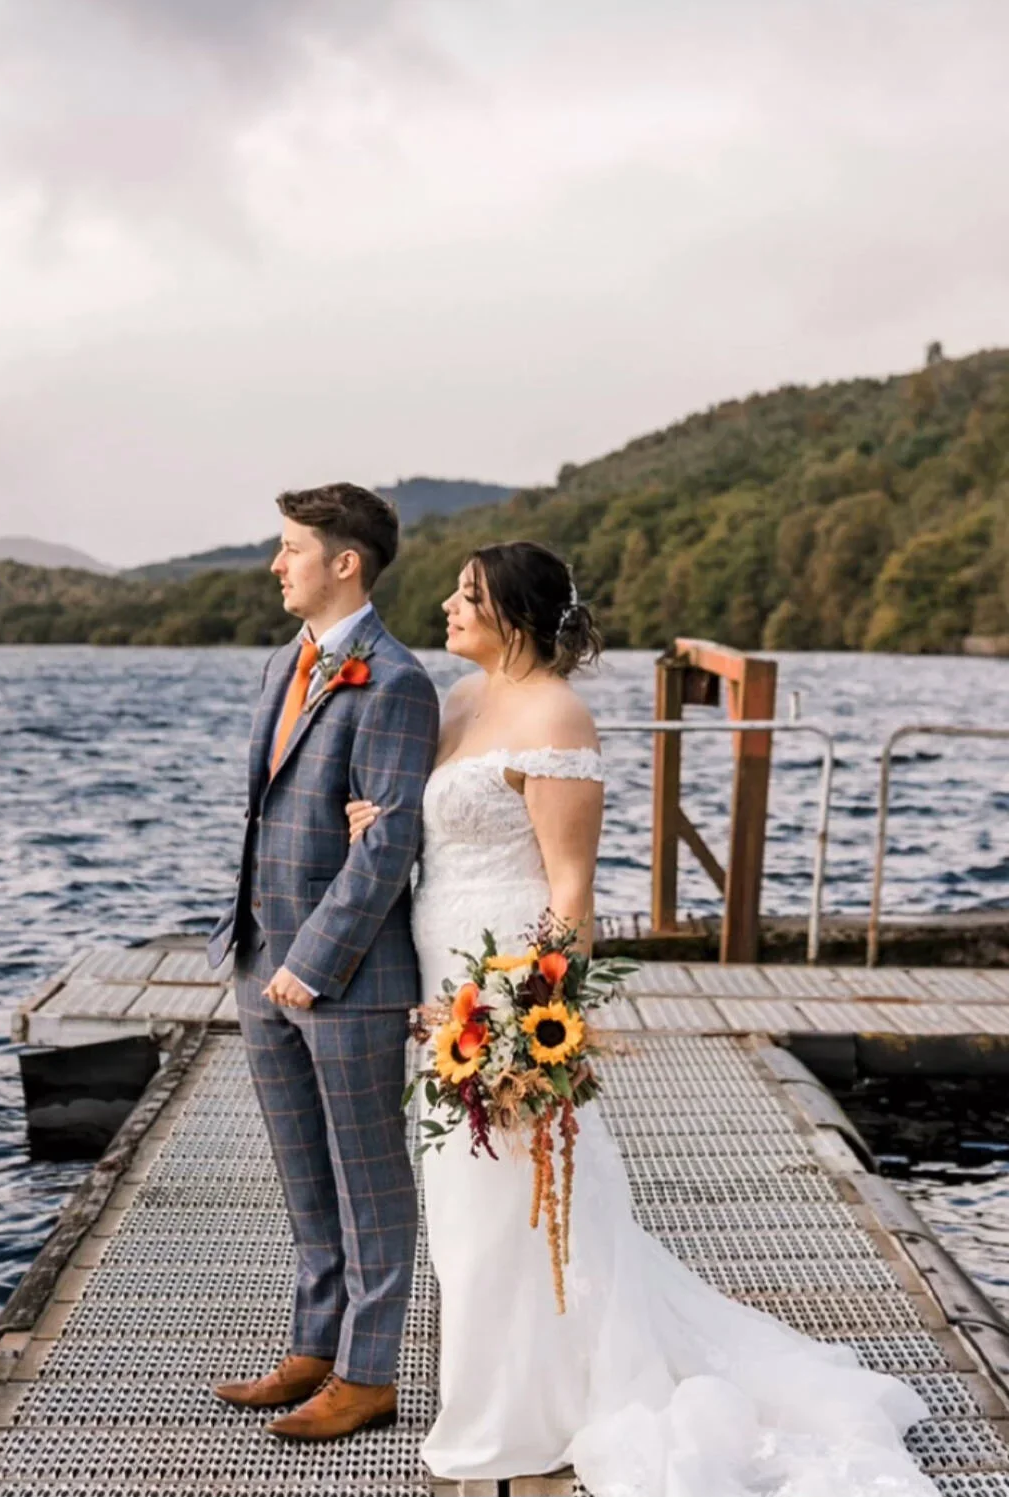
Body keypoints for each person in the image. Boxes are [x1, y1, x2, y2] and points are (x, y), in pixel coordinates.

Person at [345, 538, 937, 1495]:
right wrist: (380, 825)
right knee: (463, 1213)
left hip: (501, 994)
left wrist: (533, 1020)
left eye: (468, 595)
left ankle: (517, 1418)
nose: (447, 607)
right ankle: (508, 1395)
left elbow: (571, 887)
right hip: (434, 981)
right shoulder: (456, 704)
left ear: (517, 616)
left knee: (509, 1209)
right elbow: (434, 831)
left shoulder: (558, 716)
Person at [207, 482, 439, 1442]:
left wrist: (312, 960)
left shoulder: (394, 681)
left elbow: (388, 844)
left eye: (292, 546)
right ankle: (314, 1344)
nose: (277, 562)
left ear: (346, 561)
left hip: (344, 975)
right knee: (303, 1172)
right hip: (260, 956)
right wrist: (262, 955)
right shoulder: (282, 663)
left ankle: (369, 1371)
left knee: (370, 1178)